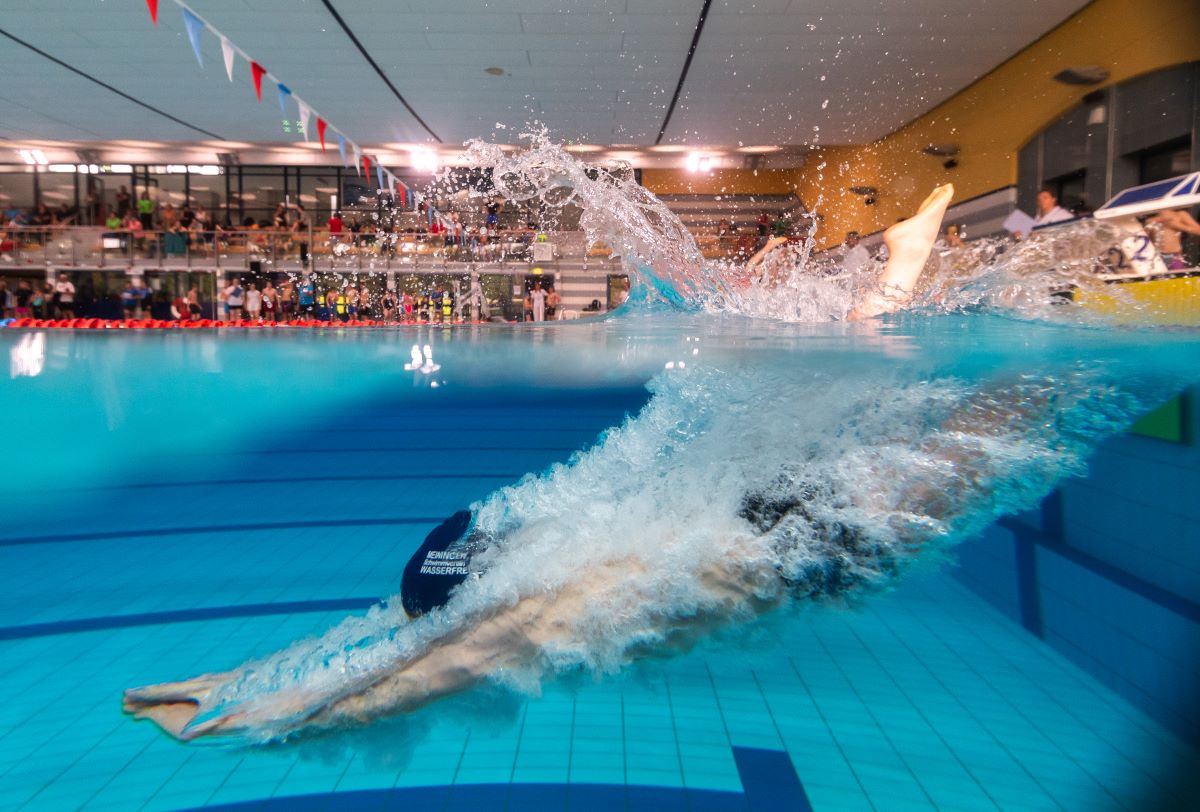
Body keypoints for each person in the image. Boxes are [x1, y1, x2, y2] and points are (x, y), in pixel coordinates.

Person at [122, 184, 957, 743]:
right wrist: (231, 680)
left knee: (941, 455)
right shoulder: (539, 557)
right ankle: (895, 280)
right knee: (848, 402)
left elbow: (398, 681)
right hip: (755, 524)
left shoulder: (540, 609)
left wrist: (241, 718)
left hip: (792, 548)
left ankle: (898, 283)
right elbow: (387, 632)